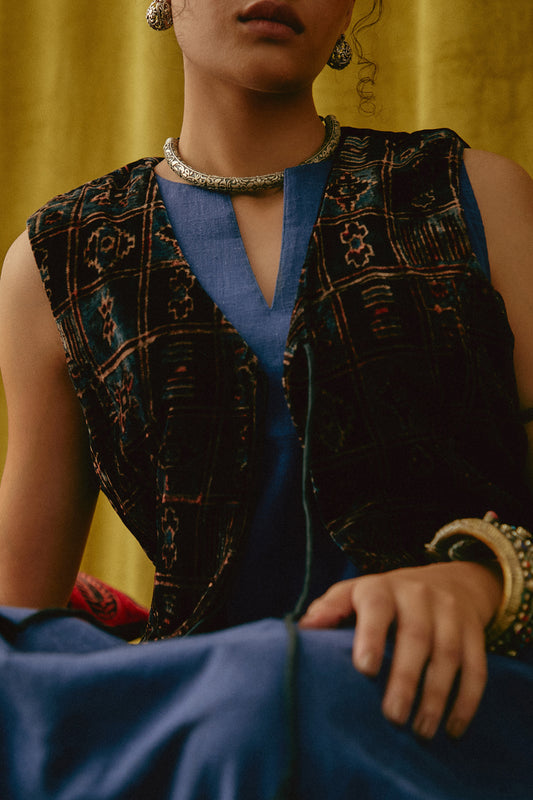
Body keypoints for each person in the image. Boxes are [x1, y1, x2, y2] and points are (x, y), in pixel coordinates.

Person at [0, 1, 532, 798]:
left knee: (275, 695)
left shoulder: (473, 197)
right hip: (200, 735)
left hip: (450, 715)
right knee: (245, 696)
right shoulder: (61, 258)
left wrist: (481, 576)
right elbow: (18, 630)